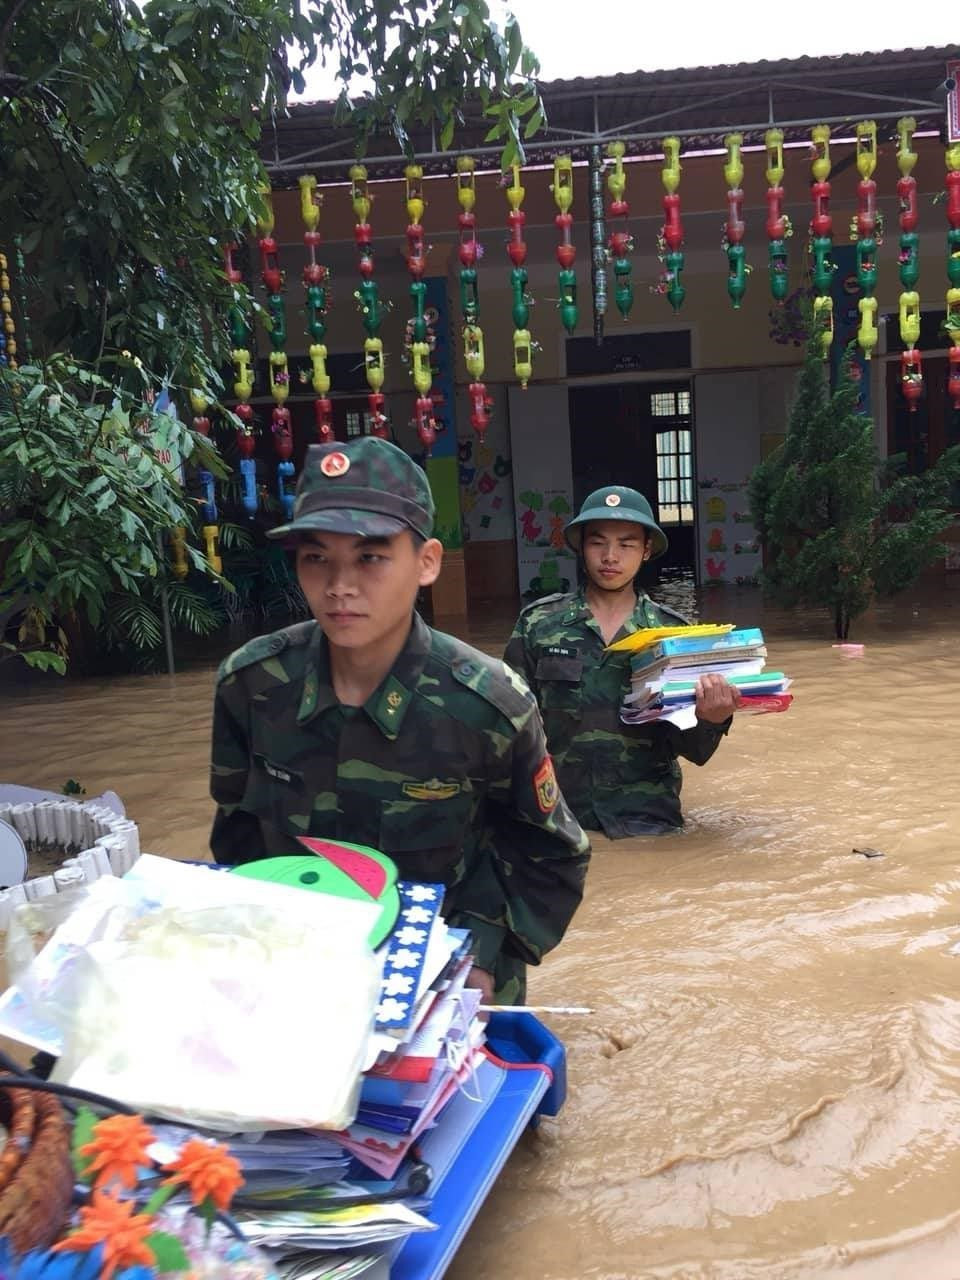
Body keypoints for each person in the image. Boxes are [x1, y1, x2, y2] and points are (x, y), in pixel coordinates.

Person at [210, 436, 590, 1004]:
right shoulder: (254, 683)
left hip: (450, 975)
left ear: (428, 562)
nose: (340, 586)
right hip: (299, 969)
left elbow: (551, 853)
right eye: (317, 558)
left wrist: (481, 960)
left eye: (370, 557)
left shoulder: (488, 705)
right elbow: (237, 831)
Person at [503, 486, 740, 839]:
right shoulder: (538, 624)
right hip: (557, 820)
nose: (610, 556)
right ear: (582, 547)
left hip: (648, 821)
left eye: (626, 544)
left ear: (646, 551)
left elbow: (693, 751)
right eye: (598, 542)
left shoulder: (673, 634)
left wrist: (713, 718)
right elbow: (508, 726)